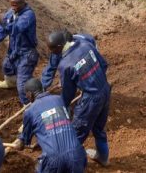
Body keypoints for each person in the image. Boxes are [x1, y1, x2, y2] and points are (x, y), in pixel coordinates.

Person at [41, 30, 111, 166]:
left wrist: (62, 107)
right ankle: (103, 157)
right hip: (105, 89)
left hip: (91, 99)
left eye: (52, 50)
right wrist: (92, 79)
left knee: (75, 134)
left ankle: (69, 165)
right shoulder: (86, 45)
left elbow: (69, 93)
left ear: (59, 47)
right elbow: (103, 64)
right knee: (99, 128)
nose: (52, 53)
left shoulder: (65, 64)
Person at [9, 78, 87, 173]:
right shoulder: (59, 99)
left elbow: (23, 141)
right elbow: (63, 118)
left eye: (26, 95)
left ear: (30, 94)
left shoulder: (30, 111)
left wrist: (20, 142)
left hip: (54, 160)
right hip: (77, 154)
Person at [0, 0, 38, 104]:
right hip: (14, 50)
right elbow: (1, 30)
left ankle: (28, 105)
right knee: (7, 67)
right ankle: (10, 83)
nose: (13, 8)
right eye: (11, 5)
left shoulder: (29, 15)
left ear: (23, 3)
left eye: (15, 5)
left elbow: (15, 29)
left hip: (27, 54)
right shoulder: (11, 12)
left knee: (22, 85)